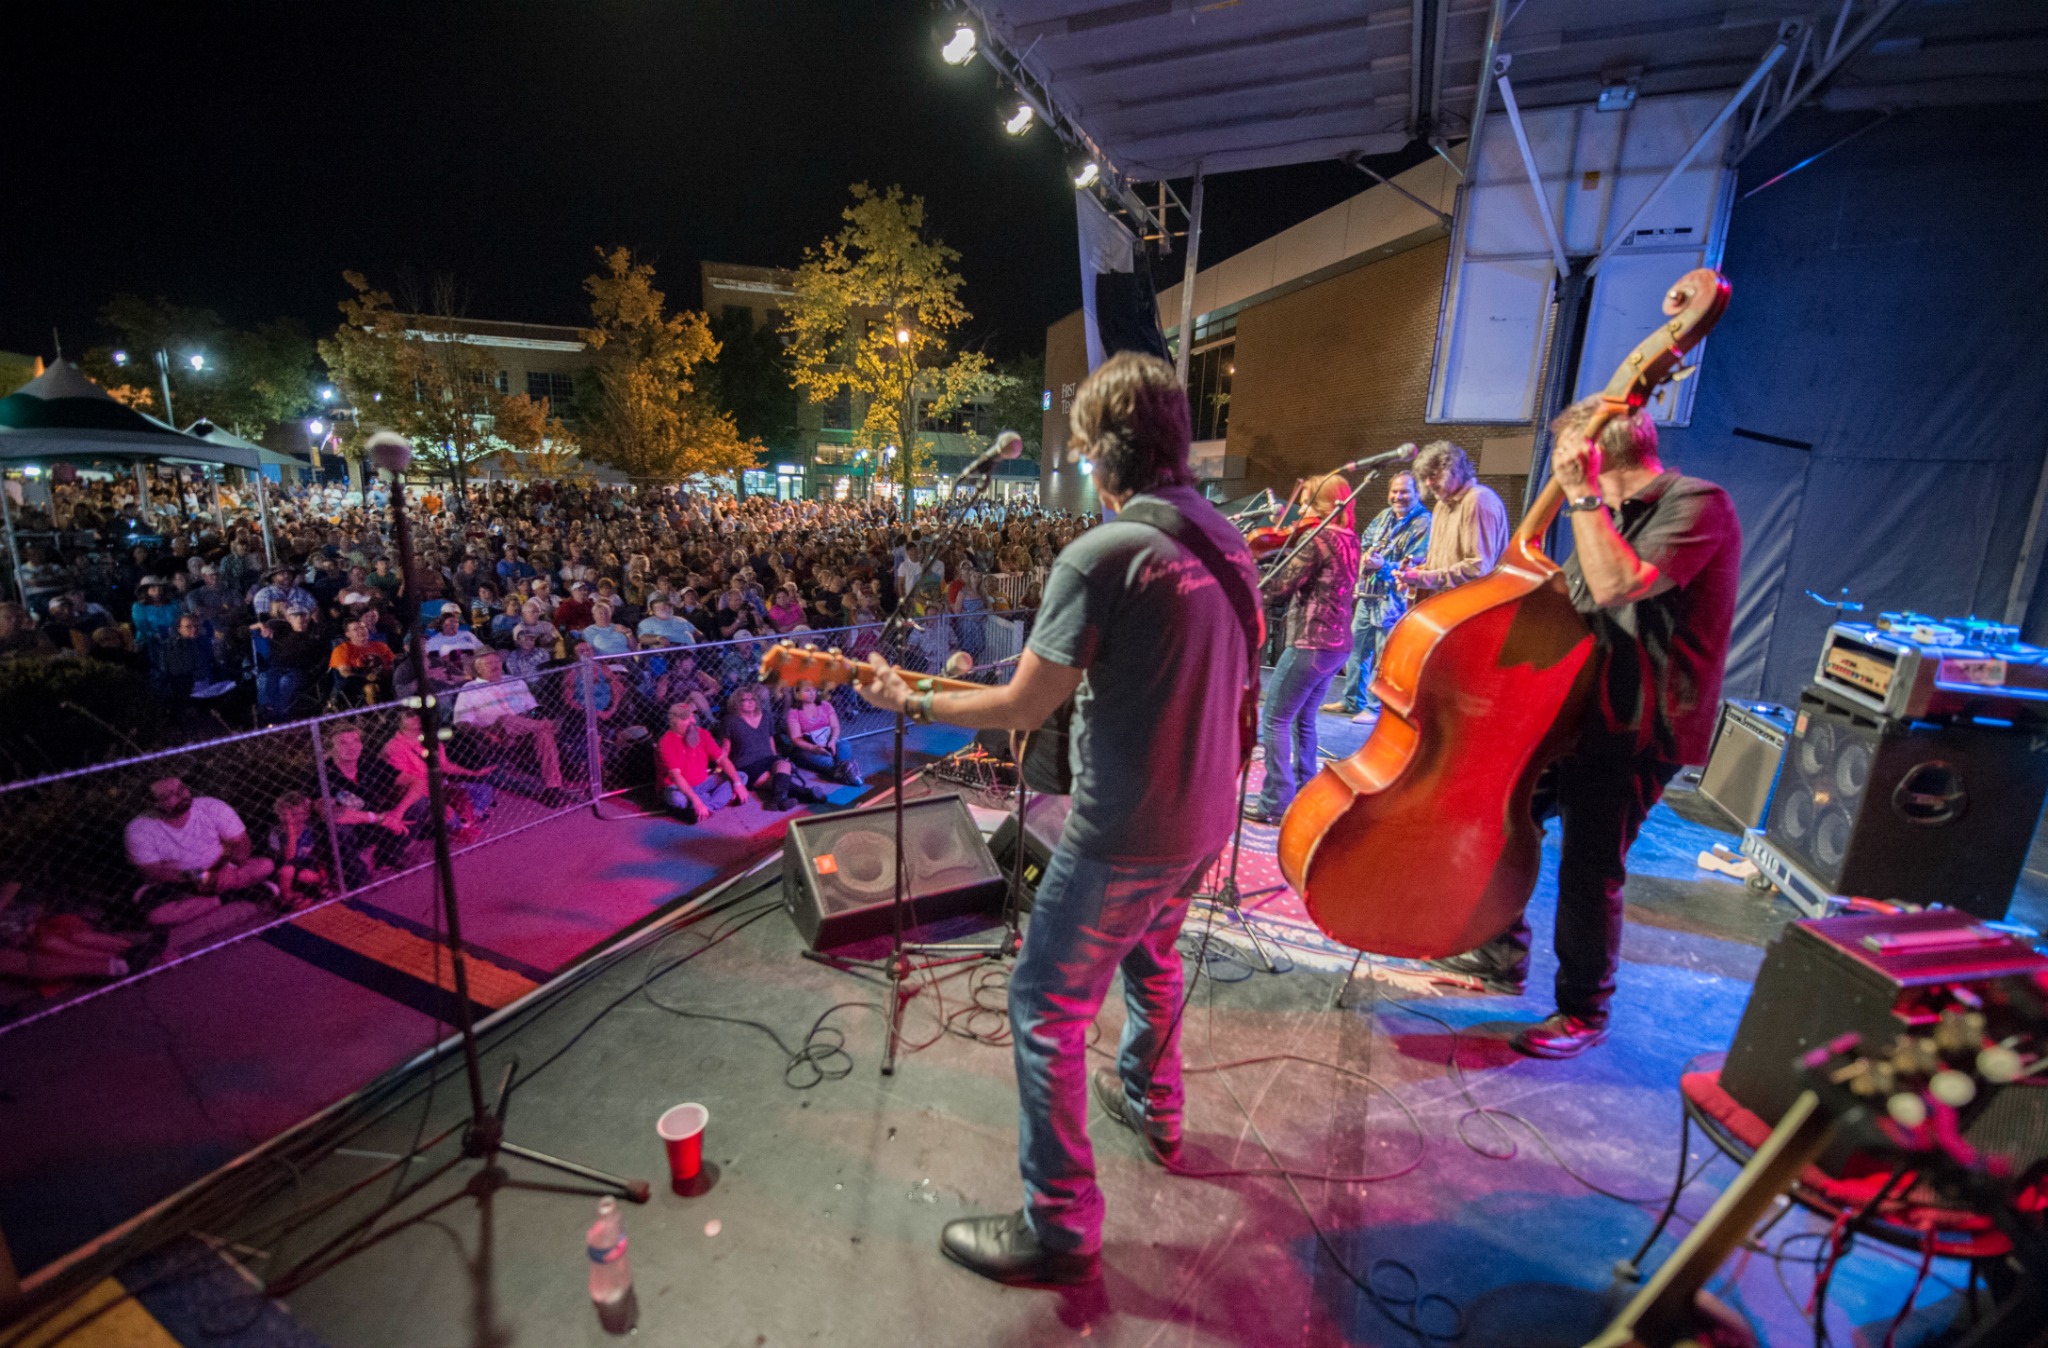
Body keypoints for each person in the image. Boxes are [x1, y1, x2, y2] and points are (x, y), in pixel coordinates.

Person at [854, 351, 1259, 1287]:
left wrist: (908, 700)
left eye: (1080, 452)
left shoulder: (1107, 553)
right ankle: (1155, 1107)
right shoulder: (1223, 538)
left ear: (1102, 451)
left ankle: (1061, 1223)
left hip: (1122, 830)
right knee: (1154, 963)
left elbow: (1021, 708)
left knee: (1044, 1006)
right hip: (1205, 817)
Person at [1428, 396, 1741, 1058]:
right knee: (1494, 816)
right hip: (1576, 712)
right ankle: (1499, 951)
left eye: (1568, 455)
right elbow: (1567, 605)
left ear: (1592, 453)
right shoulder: (1614, 514)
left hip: (1639, 724)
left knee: (1589, 867)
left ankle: (1582, 1014)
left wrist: (1581, 498)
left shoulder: (1696, 503)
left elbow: (1614, 585)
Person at [1250, 473, 1359, 823]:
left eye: (1308, 501)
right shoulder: (1350, 538)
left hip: (1310, 641)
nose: (1301, 509)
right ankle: (1302, 787)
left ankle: (1275, 801)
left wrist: (1251, 576)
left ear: (1326, 504)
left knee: (1275, 718)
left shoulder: (1317, 538)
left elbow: (1281, 587)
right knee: (1303, 718)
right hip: (1338, 645)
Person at [1325, 471, 1431, 721]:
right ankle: (1352, 700)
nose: (1398, 496)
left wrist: (1382, 566)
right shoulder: (1384, 516)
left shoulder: (1424, 522)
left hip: (1394, 599)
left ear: (1417, 494)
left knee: (1384, 656)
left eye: (1404, 491)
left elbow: (1416, 564)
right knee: (1356, 649)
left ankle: (1374, 708)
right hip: (1369, 594)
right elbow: (1366, 542)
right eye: (1394, 491)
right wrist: (1364, 558)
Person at [124, 776, 277, 925]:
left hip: (223, 868)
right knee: (157, 916)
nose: (181, 796)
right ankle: (235, 895)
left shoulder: (211, 806)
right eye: (168, 795)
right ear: (153, 803)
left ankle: (214, 898)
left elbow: (242, 844)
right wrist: (201, 876)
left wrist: (220, 869)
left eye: (181, 789)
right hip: (180, 881)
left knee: (265, 865)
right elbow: (155, 872)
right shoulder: (139, 828)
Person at [1398, 441, 1508, 596]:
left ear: (1456, 470)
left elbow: (1477, 569)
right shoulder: (1441, 505)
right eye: (1425, 477)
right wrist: (1414, 574)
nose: (1429, 483)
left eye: (1434, 475)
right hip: (1443, 605)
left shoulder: (1478, 499)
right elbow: (1442, 564)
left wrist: (1424, 578)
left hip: (1469, 608)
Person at [454, 650, 567, 796]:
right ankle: (551, 726)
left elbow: (533, 709)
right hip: (494, 731)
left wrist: (534, 717)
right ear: (479, 668)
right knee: (507, 719)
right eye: (489, 663)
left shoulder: (515, 681)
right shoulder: (469, 688)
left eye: (497, 662)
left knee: (543, 733)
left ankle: (553, 787)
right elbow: (461, 722)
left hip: (524, 728)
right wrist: (486, 735)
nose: (495, 666)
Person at [719, 686, 814, 810]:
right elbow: (725, 748)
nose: (750, 702)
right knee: (774, 781)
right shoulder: (730, 721)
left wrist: (775, 757)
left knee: (784, 765)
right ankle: (806, 794)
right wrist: (724, 770)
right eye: (744, 700)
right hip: (746, 765)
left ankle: (777, 800)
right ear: (736, 703)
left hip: (768, 758)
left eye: (752, 699)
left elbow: (770, 739)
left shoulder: (765, 715)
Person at [657, 701, 747, 822]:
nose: (692, 721)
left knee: (741, 777)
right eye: (685, 718)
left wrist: (738, 784)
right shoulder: (666, 742)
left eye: (692, 716)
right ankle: (710, 800)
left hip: (703, 782)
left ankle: (707, 807)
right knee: (677, 799)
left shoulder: (702, 733)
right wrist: (697, 801)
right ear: (674, 721)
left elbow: (722, 759)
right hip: (679, 788)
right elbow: (676, 777)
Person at [782, 680, 861, 786]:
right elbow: (795, 738)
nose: (812, 693)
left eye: (814, 690)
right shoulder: (794, 712)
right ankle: (847, 771)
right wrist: (814, 748)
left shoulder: (825, 705)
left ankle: (841, 770)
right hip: (809, 748)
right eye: (807, 690)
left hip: (828, 742)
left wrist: (833, 740)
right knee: (828, 761)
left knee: (844, 744)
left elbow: (835, 726)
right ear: (797, 692)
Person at [267, 792, 330, 903]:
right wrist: (292, 834)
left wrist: (321, 877)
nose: (290, 819)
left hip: (308, 865)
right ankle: (287, 896)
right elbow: (288, 857)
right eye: (285, 814)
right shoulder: (276, 832)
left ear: (306, 815)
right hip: (287, 868)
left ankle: (321, 885)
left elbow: (321, 853)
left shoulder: (312, 828)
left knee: (307, 875)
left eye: (295, 814)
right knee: (288, 870)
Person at [329, 618, 396, 704]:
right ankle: (378, 715)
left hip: (384, 678)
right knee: (371, 688)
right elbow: (345, 672)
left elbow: (393, 663)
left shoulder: (381, 646)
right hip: (357, 682)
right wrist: (366, 677)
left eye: (363, 627)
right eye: (356, 629)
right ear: (348, 634)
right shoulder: (342, 649)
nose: (361, 631)